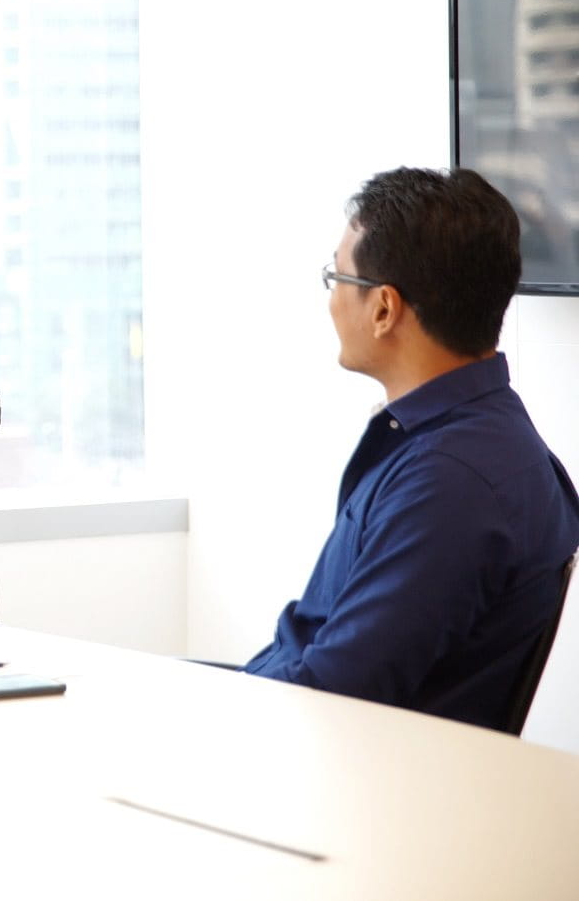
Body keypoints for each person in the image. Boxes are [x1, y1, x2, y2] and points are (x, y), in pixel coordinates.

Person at [242, 166, 579, 731]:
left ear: (383, 309)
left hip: (338, 777)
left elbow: (334, 696)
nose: (331, 302)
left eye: (338, 279)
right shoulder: (467, 443)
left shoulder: (452, 482)